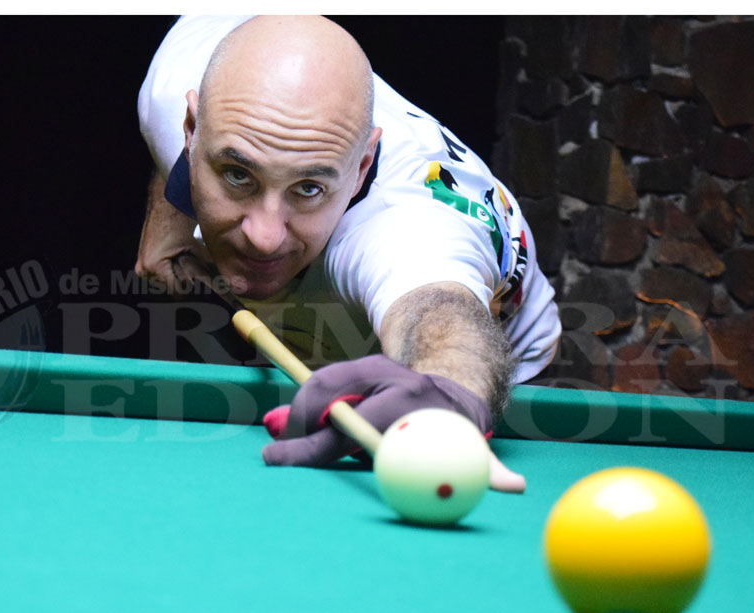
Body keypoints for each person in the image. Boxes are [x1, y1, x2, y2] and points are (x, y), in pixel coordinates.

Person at [136, 15, 561, 492]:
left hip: (500, 365)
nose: (264, 238)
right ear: (190, 130)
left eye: (308, 188)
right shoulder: (172, 86)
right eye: (238, 175)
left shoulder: (402, 228)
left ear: (361, 168)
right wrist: (171, 206)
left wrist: (449, 399)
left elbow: (441, 314)